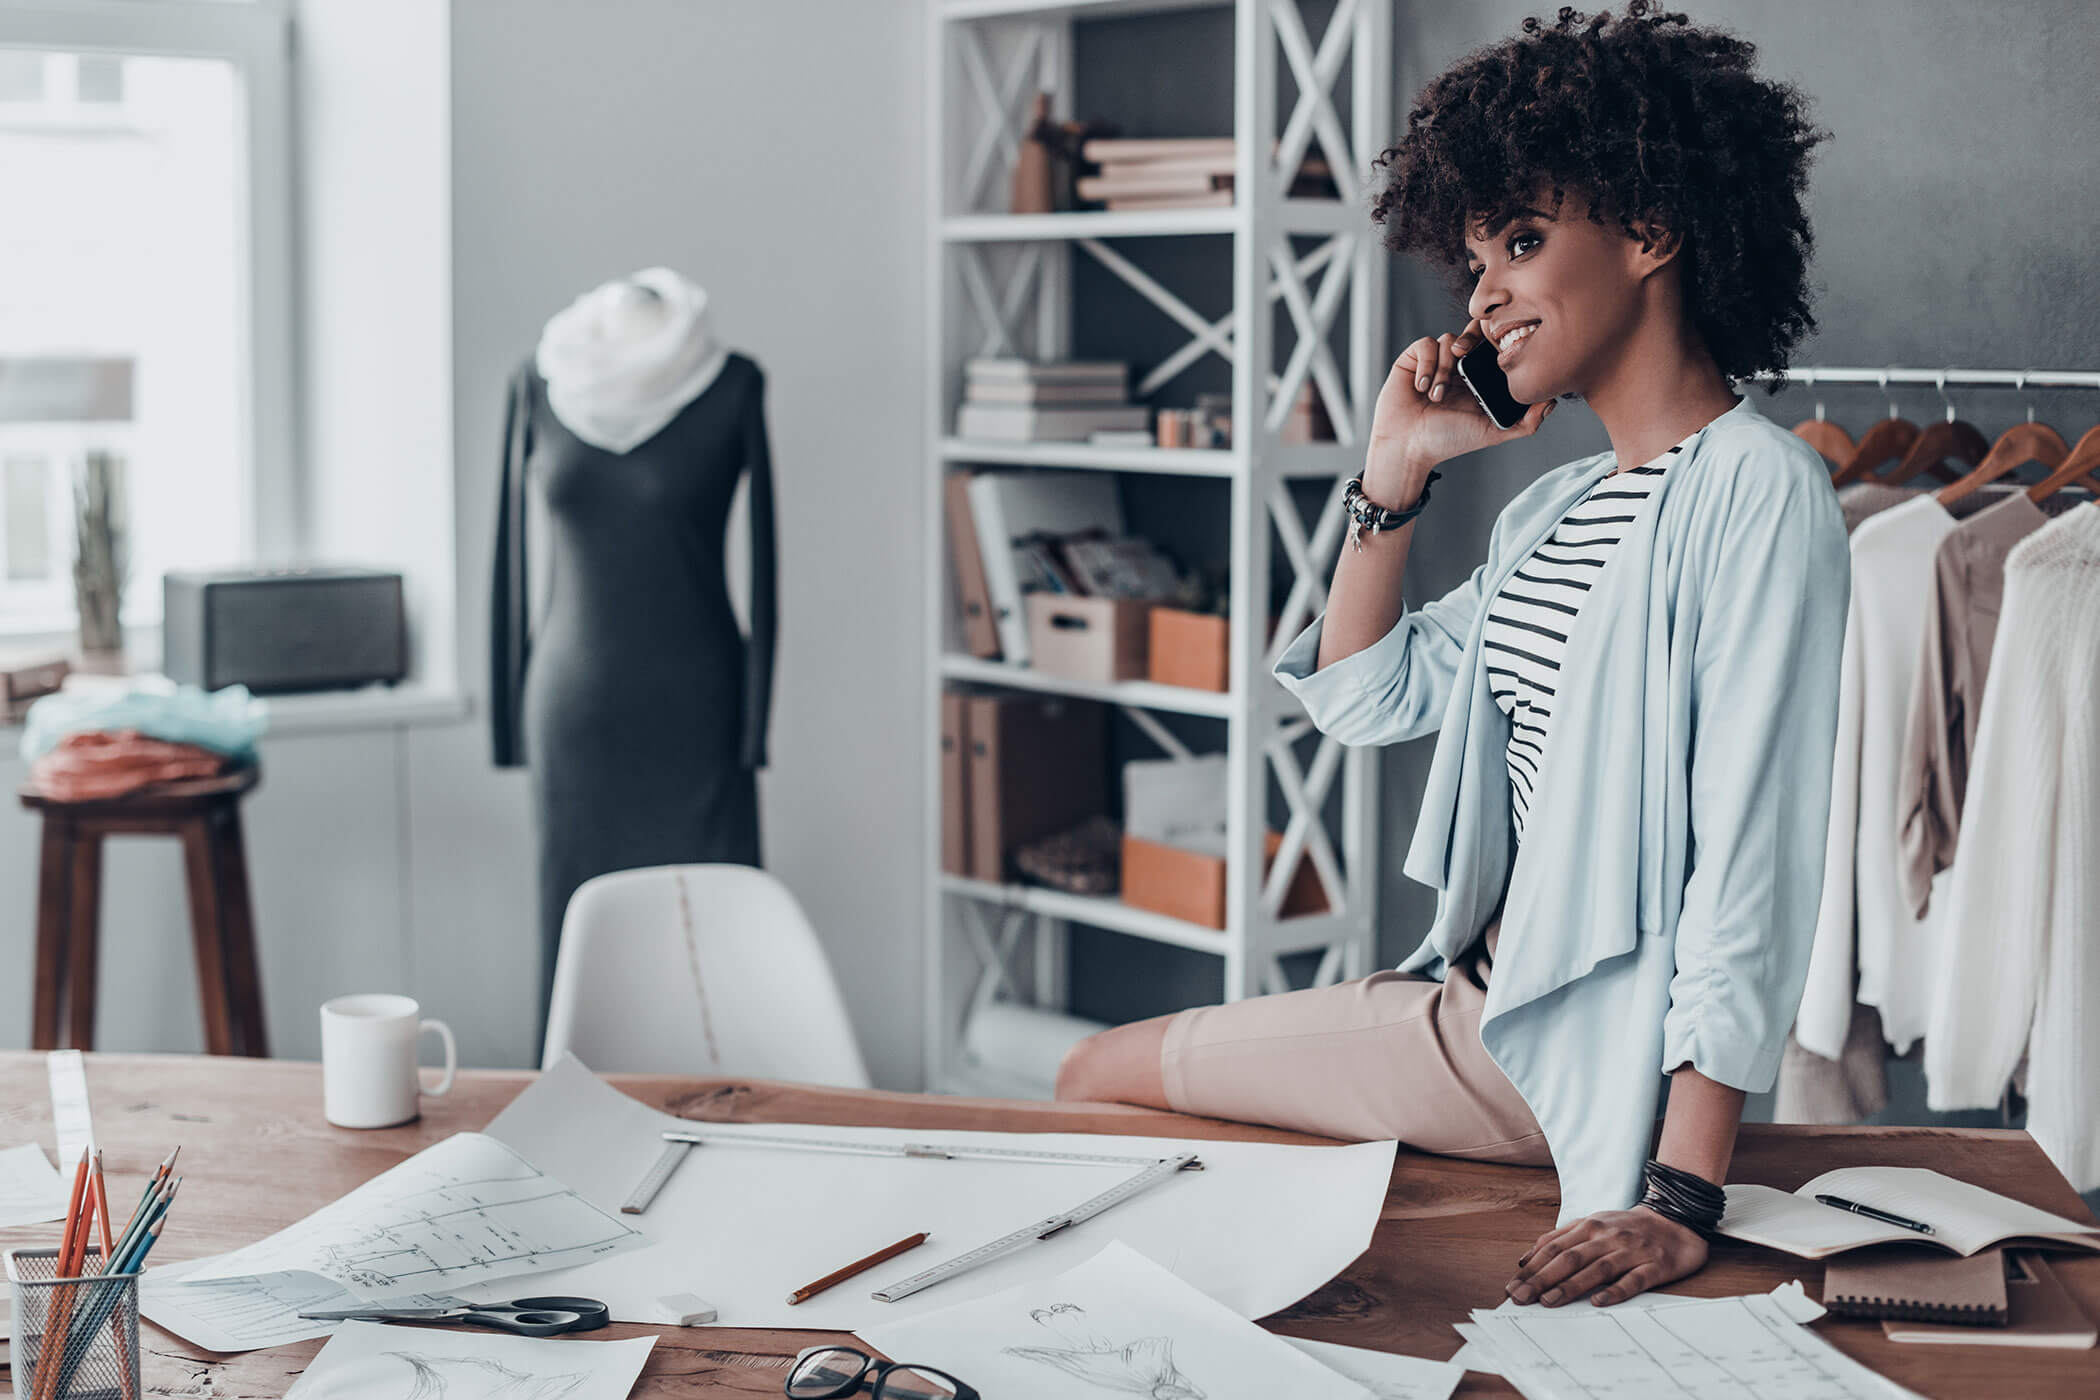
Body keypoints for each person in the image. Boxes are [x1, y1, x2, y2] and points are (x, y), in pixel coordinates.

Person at [1056, 2, 1849, 1311]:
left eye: (1523, 241)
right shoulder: (1557, 510)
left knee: (1093, 1076)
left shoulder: (1758, 492)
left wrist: (1680, 1195)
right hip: (1470, 999)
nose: (1482, 292)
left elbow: (1750, 862)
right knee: (1129, 1099)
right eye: (1475, 255)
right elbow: (1364, 701)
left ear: (1649, 230)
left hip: (1542, 1048)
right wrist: (1395, 474)